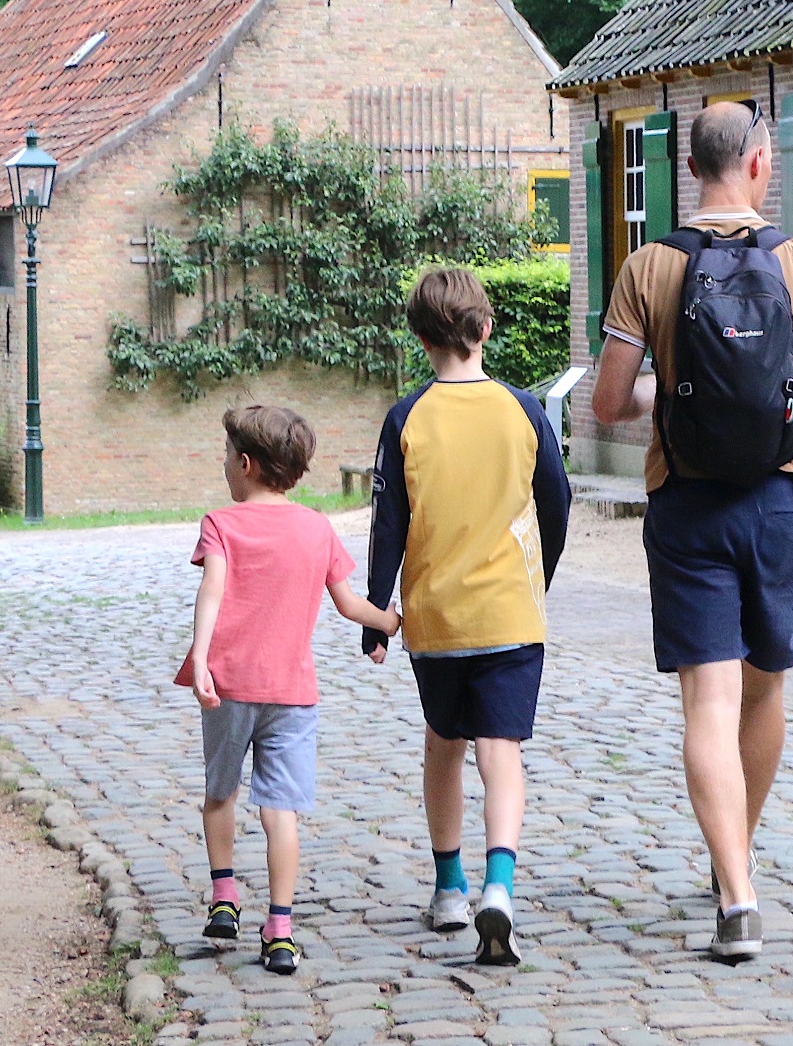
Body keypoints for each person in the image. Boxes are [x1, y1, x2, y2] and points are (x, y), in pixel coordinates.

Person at [591, 98, 793, 961]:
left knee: (707, 697)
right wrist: (787, 414)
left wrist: (666, 396)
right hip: (781, 498)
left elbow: (608, 403)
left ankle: (736, 893)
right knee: (764, 685)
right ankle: (736, 854)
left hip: (687, 501)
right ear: (754, 163)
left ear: (692, 168)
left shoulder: (650, 266)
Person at [361, 267, 572, 966]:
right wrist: (541, 573)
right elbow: (558, 500)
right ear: (484, 330)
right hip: (511, 612)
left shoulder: (406, 418)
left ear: (421, 338)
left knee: (443, 744)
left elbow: (387, 523)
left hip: (436, 620)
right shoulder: (523, 410)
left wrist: (374, 611)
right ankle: (500, 883)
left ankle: (449, 885)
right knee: (501, 751)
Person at [176, 404, 398, 976]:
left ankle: (225, 896)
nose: (224, 465)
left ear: (245, 465)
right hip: (293, 692)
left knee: (219, 793)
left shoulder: (221, 524)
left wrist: (200, 657)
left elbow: (213, 591)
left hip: (229, 685)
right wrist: (391, 621)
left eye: (227, 456)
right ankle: (279, 930)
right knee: (282, 811)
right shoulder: (317, 528)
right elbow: (350, 605)